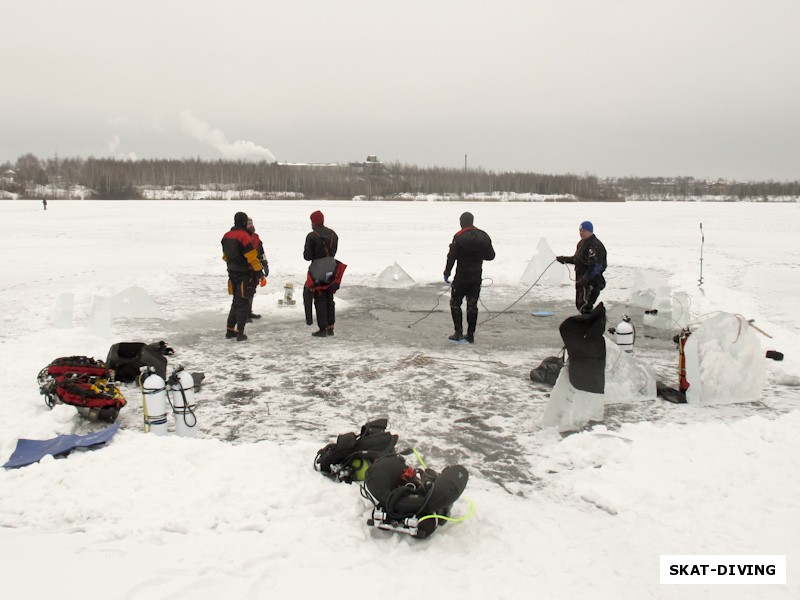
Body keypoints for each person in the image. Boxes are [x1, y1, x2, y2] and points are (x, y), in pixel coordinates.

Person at [443, 212, 495, 343]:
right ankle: (470, 335)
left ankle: (458, 332)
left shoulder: (459, 236)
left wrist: (447, 272)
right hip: (476, 276)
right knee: (472, 305)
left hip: (462, 276)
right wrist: (477, 255)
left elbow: (452, 256)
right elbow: (491, 256)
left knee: (455, 303)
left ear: (462, 222)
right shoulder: (484, 235)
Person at [221, 211, 265, 341]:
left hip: (232, 272)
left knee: (236, 300)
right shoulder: (244, 236)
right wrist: (260, 272)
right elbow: (251, 256)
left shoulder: (226, 236)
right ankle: (240, 332)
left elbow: (225, 256)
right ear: (244, 222)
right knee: (243, 302)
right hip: (244, 273)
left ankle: (230, 330)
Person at [556, 220, 607, 314]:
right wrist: (564, 259)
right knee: (580, 305)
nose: (581, 233)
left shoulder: (596, 246)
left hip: (592, 282)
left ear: (590, 231)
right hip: (581, 280)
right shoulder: (582, 243)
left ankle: (590, 325)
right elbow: (578, 259)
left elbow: (598, 266)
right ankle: (586, 324)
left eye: (584, 231)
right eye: (580, 231)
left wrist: (585, 279)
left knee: (585, 306)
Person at [303, 210, 340, 337]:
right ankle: (331, 326)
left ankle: (322, 328)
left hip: (318, 269)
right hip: (331, 267)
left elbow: (307, 256)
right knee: (329, 295)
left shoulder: (312, 236)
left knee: (319, 296)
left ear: (313, 222)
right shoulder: (333, 234)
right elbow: (334, 252)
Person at [246, 217, 269, 322]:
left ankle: (248, 311)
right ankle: (244, 314)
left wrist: (265, 264)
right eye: (248, 223)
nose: (251, 225)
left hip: (256, 269)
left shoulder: (256, 238)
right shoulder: (243, 237)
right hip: (246, 269)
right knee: (245, 292)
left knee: (252, 291)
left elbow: (261, 253)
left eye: (251, 223)